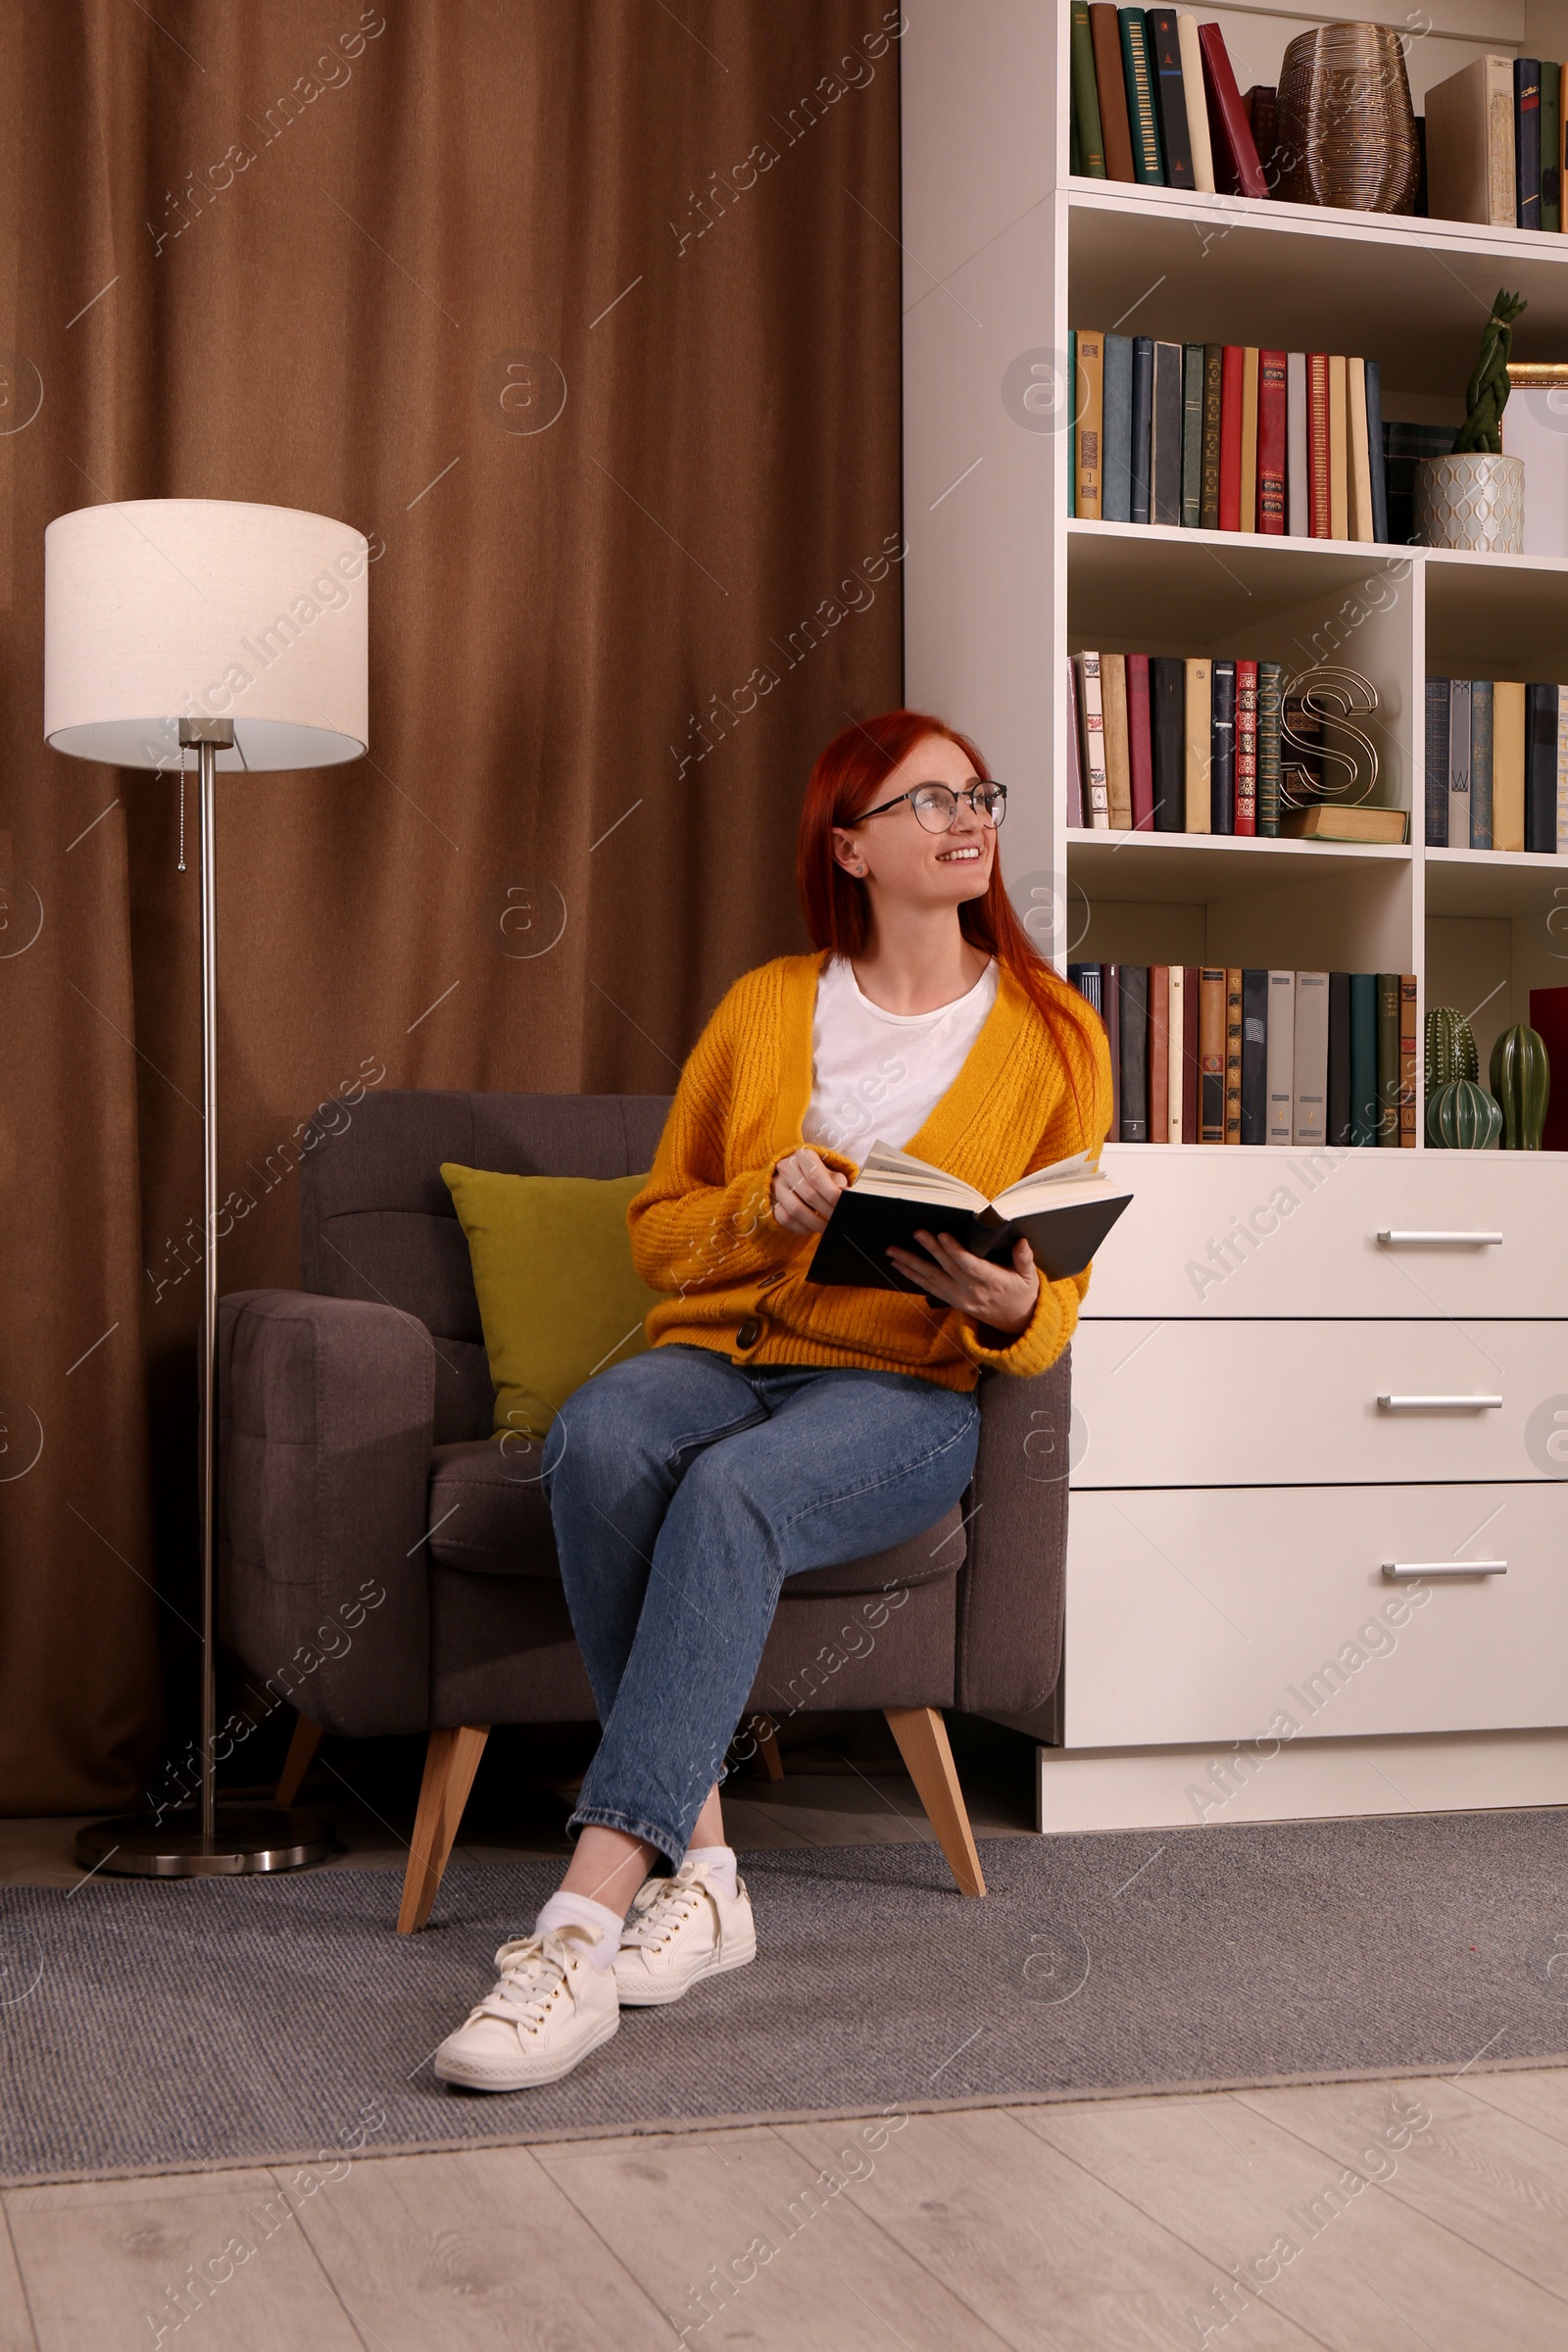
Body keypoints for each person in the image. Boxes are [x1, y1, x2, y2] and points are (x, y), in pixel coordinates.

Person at [433, 708, 1111, 2090]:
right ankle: (714, 1874)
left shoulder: (1051, 1034)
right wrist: (762, 1205)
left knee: (732, 1495)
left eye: (975, 793)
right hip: (722, 1356)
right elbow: (658, 1231)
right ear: (849, 844)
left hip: (903, 1393)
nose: (966, 816)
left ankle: (582, 1916)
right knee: (599, 1438)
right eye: (925, 803)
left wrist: (1011, 1305)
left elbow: (1052, 1303)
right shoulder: (765, 1006)